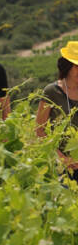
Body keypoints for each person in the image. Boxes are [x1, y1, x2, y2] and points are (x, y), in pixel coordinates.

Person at [36, 41, 78, 177]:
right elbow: (39, 130)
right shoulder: (51, 91)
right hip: (63, 167)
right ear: (67, 67)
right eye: (77, 66)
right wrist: (60, 157)